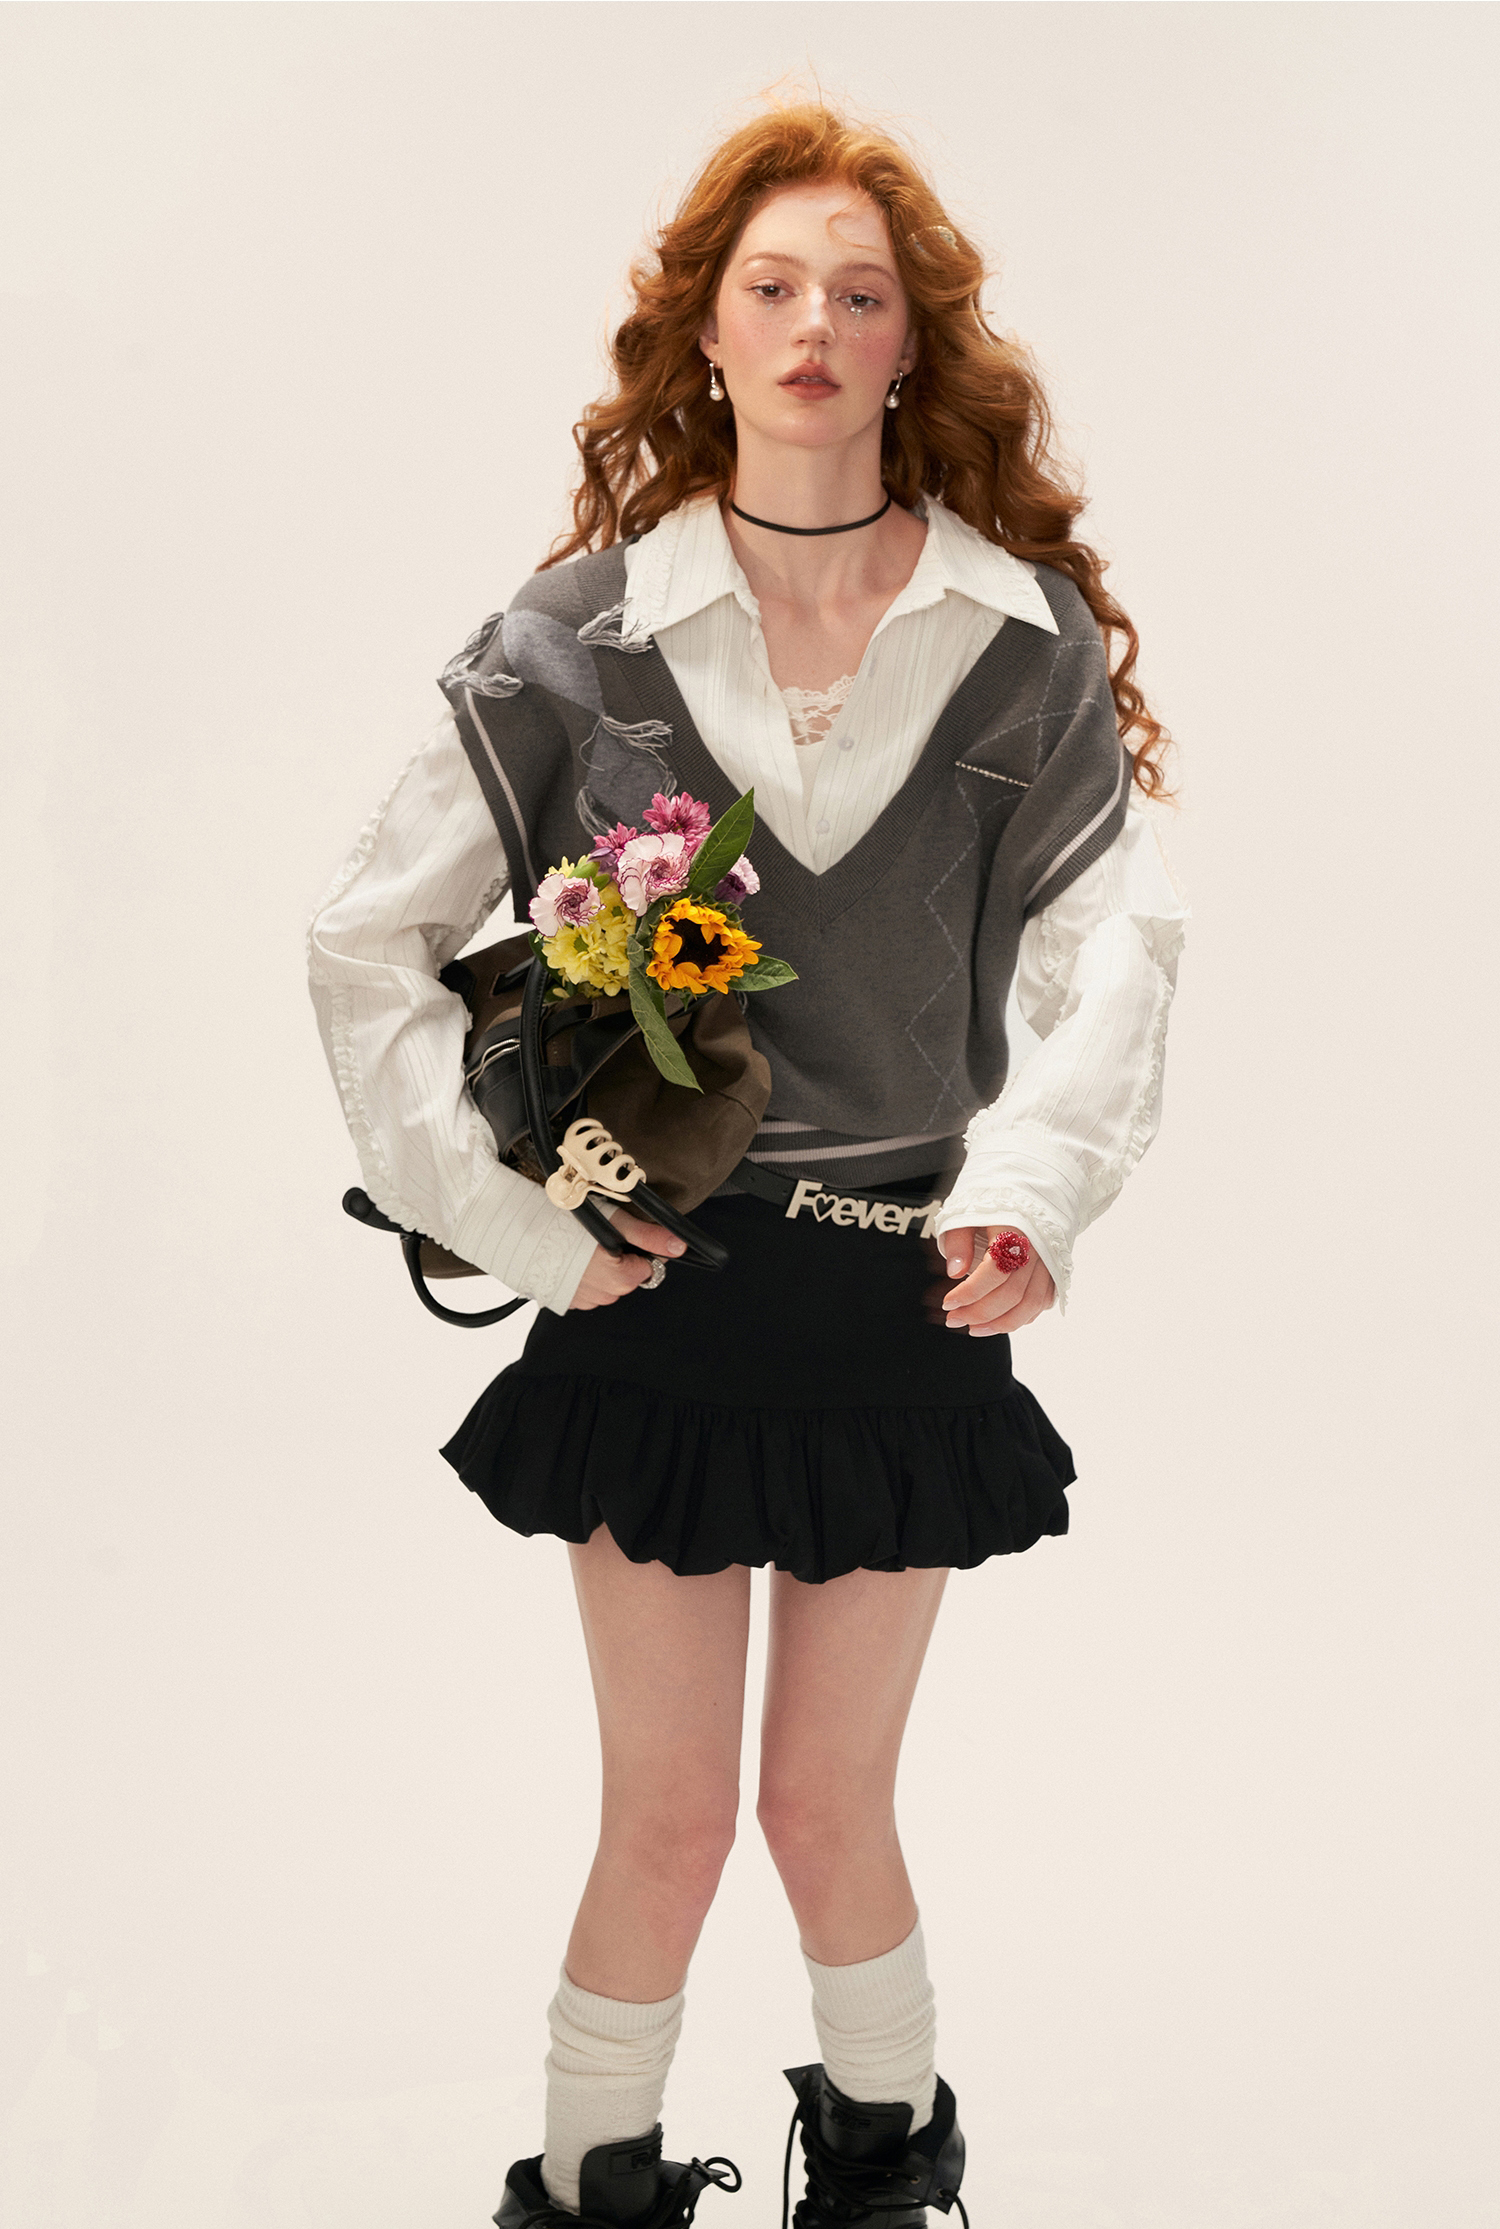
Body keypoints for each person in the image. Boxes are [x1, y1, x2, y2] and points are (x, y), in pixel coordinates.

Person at [308, 99, 1187, 2229]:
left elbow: (1116, 952)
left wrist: (1031, 1198)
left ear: (910, 345)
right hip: (659, 1290)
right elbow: (362, 940)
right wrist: (518, 1226)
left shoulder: (1017, 642)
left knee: (828, 1808)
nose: (813, 326)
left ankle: (882, 2182)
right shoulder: (577, 636)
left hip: (898, 1291)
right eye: (772, 286)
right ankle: (588, 2190)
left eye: (859, 296)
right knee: (670, 1816)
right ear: (705, 333)